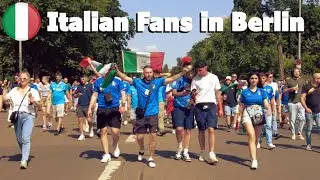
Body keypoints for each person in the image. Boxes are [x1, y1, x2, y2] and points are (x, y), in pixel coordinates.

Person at [116, 64, 192, 168]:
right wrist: (116, 70)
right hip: (141, 114)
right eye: (146, 72)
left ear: (152, 73)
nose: (149, 74)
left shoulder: (158, 81)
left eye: (150, 72)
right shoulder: (137, 82)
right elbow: (124, 77)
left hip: (153, 114)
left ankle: (151, 158)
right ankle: (142, 149)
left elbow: (172, 78)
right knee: (140, 137)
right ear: (143, 73)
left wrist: (182, 73)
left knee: (153, 136)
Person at [4, 71, 41, 169]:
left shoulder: (33, 91)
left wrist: (34, 102)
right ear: (18, 79)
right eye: (21, 78)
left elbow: (40, 105)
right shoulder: (14, 90)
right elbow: (6, 98)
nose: (22, 80)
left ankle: (24, 159)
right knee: (19, 139)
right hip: (16, 116)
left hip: (28, 115)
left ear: (29, 80)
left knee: (25, 138)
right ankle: (25, 152)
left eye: (25, 78)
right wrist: (6, 99)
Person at [88, 73, 126, 162]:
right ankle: (106, 154)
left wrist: (123, 105)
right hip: (102, 108)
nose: (106, 73)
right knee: (103, 131)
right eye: (104, 71)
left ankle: (115, 144)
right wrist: (90, 108)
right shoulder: (98, 81)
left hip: (114, 108)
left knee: (115, 131)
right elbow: (94, 95)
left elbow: (123, 94)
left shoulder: (117, 81)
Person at [191, 60, 223, 164]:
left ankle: (212, 153)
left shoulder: (214, 77)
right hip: (199, 106)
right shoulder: (195, 79)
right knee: (201, 130)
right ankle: (203, 151)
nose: (199, 72)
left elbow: (218, 93)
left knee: (211, 129)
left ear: (205, 67)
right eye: (197, 71)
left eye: (200, 70)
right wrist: (194, 94)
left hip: (211, 105)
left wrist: (220, 107)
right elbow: (193, 91)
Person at [238, 71, 271, 169]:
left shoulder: (262, 91)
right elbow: (242, 105)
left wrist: (268, 109)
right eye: (252, 78)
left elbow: (265, 103)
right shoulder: (244, 92)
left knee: (256, 138)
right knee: (251, 135)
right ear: (249, 80)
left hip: (258, 114)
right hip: (247, 113)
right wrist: (239, 117)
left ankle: (253, 155)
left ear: (258, 80)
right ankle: (254, 160)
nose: (254, 80)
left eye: (256, 78)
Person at [171, 68, 195, 162]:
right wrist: (182, 93)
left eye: (192, 73)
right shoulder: (178, 79)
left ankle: (186, 151)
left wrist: (194, 96)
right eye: (189, 73)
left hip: (190, 107)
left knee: (188, 130)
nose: (191, 74)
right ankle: (179, 147)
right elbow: (173, 93)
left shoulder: (195, 80)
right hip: (178, 107)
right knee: (179, 129)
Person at [283, 68, 307, 140]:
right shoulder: (288, 80)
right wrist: (291, 89)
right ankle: (293, 134)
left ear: (300, 73)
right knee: (292, 119)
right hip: (292, 102)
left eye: (297, 72)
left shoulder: (303, 80)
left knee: (303, 118)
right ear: (292, 73)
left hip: (301, 102)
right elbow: (284, 90)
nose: (296, 73)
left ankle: (300, 132)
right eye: (295, 72)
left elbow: (306, 90)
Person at [300, 73, 320, 151]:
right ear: (315, 79)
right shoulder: (307, 86)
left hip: (319, 111)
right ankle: (308, 144)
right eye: (319, 78)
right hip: (309, 112)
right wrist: (306, 108)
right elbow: (302, 98)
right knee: (309, 129)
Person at [256, 72, 276, 149]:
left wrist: (273, 109)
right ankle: (258, 141)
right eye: (260, 78)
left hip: (267, 108)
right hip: (258, 108)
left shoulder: (269, 88)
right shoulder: (257, 88)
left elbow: (272, 99)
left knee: (268, 125)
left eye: (263, 78)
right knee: (259, 126)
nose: (262, 80)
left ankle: (269, 142)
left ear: (266, 79)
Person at [75, 76, 94, 140]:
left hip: (88, 105)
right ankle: (82, 134)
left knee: (89, 120)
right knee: (80, 120)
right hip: (80, 105)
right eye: (81, 79)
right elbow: (74, 95)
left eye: (83, 79)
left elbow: (94, 95)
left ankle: (91, 129)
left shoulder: (90, 85)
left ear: (86, 79)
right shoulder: (79, 86)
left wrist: (93, 104)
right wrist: (77, 95)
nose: (82, 80)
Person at [266, 72, 281, 138]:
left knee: (274, 118)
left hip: (273, 103)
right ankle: (265, 132)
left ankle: (275, 132)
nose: (271, 78)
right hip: (266, 103)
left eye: (272, 77)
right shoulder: (264, 85)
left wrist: (277, 101)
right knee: (266, 118)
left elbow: (277, 93)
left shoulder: (275, 84)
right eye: (270, 77)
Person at [154, 70, 167, 136]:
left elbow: (168, 76)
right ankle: (153, 128)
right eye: (155, 74)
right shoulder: (151, 82)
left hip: (160, 101)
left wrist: (165, 100)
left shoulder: (163, 82)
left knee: (160, 115)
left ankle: (161, 129)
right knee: (153, 115)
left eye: (158, 74)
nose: (156, 75)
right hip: (152, 101)